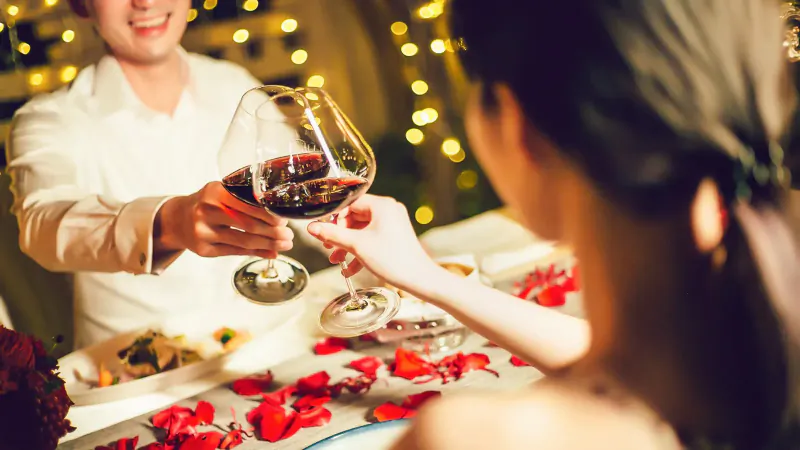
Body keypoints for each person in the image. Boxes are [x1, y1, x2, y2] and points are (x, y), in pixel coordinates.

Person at [307, 0, 800, 448]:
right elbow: (627, 362)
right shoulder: (754, 339)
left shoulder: (474, 438)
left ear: (522, 130)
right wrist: (430, 279)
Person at [4, 0, 319, 348]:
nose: (146, 2)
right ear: (82, 5)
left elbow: (304, 189)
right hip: (132, 372)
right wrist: (169, 223)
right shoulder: (49, 119)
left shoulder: (233, 84)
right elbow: (42, 225)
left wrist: (369, 233)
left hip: (258, 345)